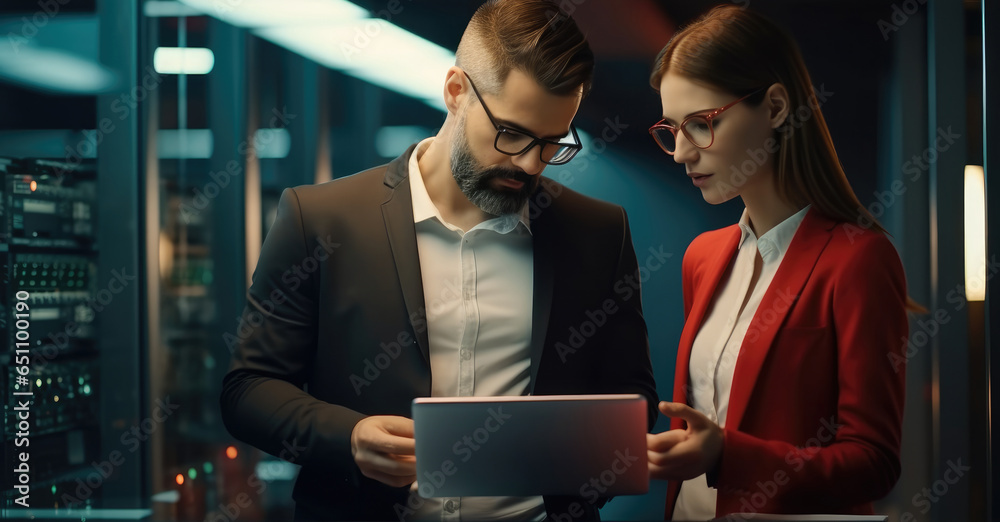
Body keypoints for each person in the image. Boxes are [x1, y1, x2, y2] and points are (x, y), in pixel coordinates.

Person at [220, 1, 658, 520]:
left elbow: (633, 397)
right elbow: (248, 391)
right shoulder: (318, 220)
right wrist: (350, 436)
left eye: (551, 143)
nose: (530, 163)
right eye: (512, 134)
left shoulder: (599, 233)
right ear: (455, 91)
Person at [643, 5, 919, 520]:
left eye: (700, 125)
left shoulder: (857, 259)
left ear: (773, 107)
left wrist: (728, 453)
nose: (681, 152)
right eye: (671, 129)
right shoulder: (701, 259)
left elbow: (874, 462)